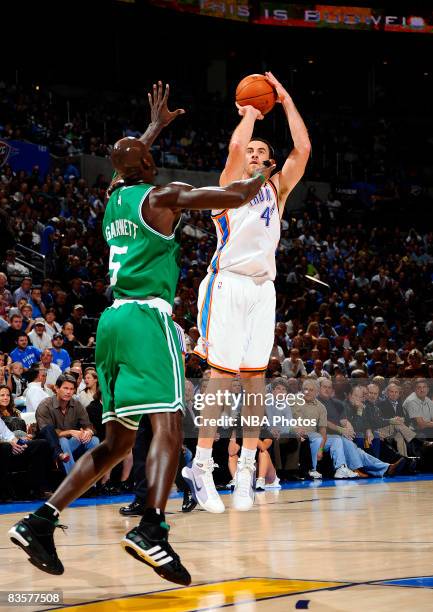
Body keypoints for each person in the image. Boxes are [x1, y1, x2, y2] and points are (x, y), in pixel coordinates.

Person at [9, 81, 273, 586]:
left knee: (115, 443)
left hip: (108, 325)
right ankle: (152, 526)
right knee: (170, 422)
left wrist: (152, 129)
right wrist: (266, 169)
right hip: (146, 320)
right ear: (149, 168)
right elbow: (238, 193)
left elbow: (123, 164)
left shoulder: (113, 197)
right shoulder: (164, 195)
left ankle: (41, 519)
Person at [186, 71, 311, 513]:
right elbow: (237, 148)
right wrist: (251, 115)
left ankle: (243, 472)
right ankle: (202, 464)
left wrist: (287, 99)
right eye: (253, 151)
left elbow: (304, 149)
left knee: (254, 379)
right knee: (220, 376)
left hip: (264, 291)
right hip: (228, 284)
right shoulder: (228, 189)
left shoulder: (276, 192)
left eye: (263, 152)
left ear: (271, 164)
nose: (256, 154)